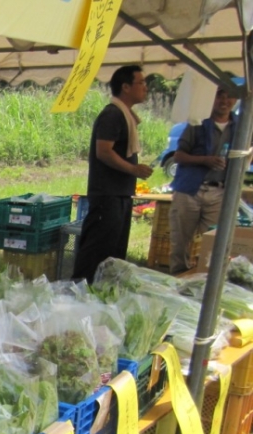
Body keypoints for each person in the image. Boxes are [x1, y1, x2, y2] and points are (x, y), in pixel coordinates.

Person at [72, 65, 154, 283]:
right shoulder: (112, 114)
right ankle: (78, 292)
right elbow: (104, 151)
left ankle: (101, 293)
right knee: (96, 252)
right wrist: (133, 170)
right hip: (107, 195)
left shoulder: (125, 115)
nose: (146, 87)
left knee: (113, 254)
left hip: (119, 194)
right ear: (125, 87)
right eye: (141, 83)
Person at [167, 87, 238, 274]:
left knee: (212, 244)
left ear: (236, 99)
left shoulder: (240, 127)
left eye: (229, 96)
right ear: (211, 98)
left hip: (219, 192)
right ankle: (177, 278)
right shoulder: (197, 123)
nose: (224, 101)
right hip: (190, 189)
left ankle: (204, 284)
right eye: (219, 96)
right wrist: (204, 160)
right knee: (180, 242)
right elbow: (179, 156)